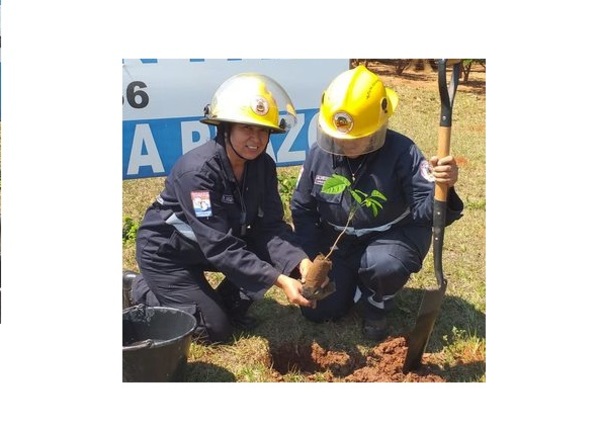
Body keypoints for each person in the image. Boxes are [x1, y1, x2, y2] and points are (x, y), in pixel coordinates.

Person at [123, 72, 315, 344]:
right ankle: (138, 287)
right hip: (168, 253)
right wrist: (280, 280)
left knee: (266, 253)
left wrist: (300, 261)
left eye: (263, 130)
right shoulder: (197, 174)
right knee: (212, 332)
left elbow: (270, 227)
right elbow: (220, 247)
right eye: (247, 128)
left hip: (213, 245)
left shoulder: (263, 166)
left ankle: (221, 305)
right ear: (225, 128)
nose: (256, 139)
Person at [290, 65, 464, 340]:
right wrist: (312, 258)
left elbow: (425, 213)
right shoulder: (318, 155)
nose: (348, 145)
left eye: (359, 137)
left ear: (380, 124)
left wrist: (444, 187)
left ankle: (376, 305)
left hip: (391, 238)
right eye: (340, 138)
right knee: (318, 312)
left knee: (383, 265)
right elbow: (302, 209)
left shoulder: (402, 152)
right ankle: (354, 284)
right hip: (338, 242)